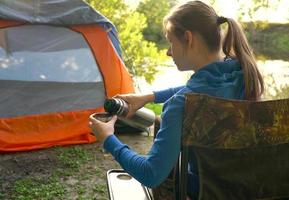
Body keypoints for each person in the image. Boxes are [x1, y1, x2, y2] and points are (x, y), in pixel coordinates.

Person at [89, 0, 264, 198]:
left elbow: (151, 174)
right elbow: (203, 90)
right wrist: (150, 96)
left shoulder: (180, 105)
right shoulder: (246, 77)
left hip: (206, 191)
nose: (168, 51)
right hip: (254, 186)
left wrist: (108, 139)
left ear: (188, 38)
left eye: (171, 41)